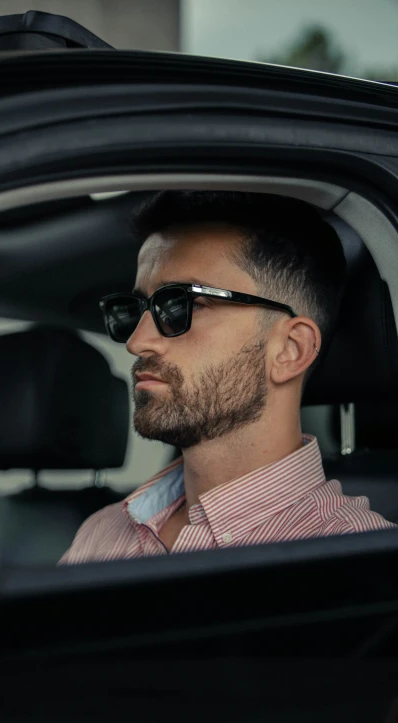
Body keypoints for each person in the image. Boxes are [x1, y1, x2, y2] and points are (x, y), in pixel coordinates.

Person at [59, 190, 394, 565]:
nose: (137, 342)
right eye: (139, 309)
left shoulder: (358, 563)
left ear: (291, 349)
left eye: (183, 304)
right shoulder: (102, 532)